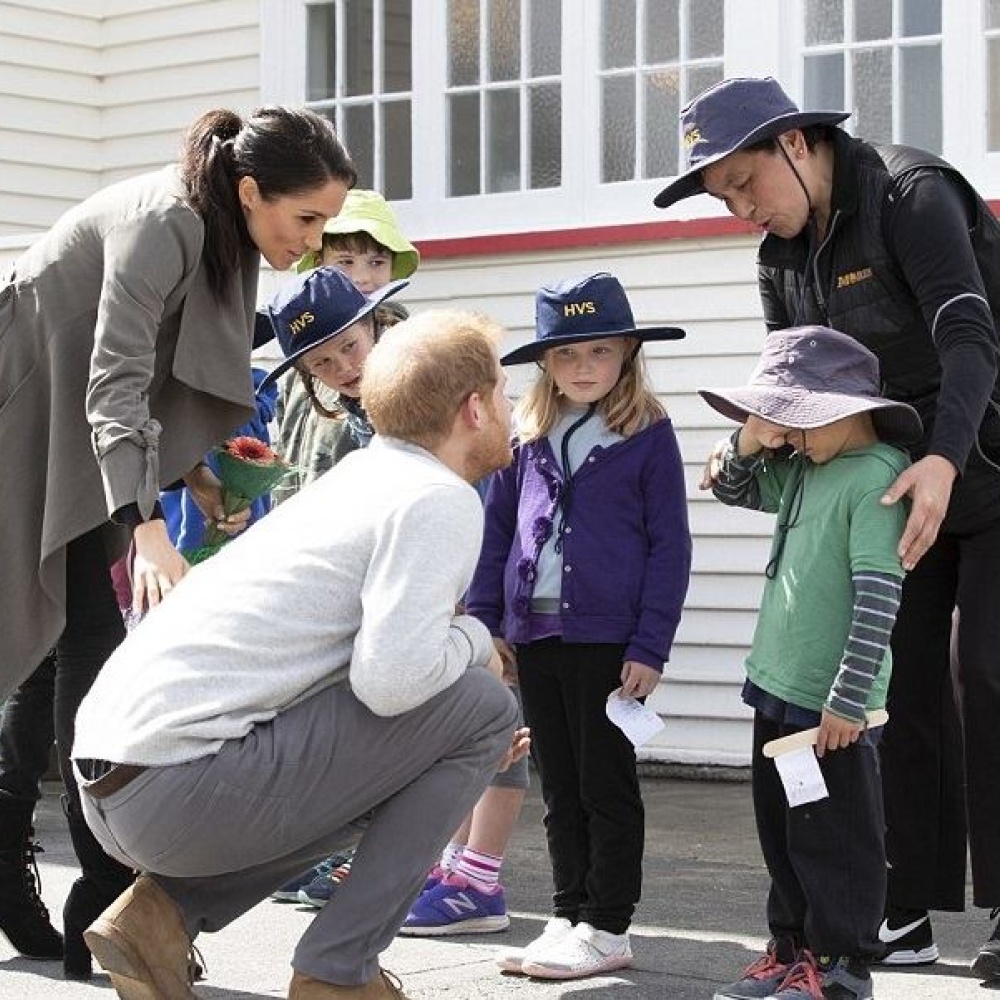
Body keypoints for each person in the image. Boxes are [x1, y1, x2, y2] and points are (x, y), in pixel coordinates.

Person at [71, 309, 525, 1000]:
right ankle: (337, 972)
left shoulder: (361, 479)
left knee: (440, 738)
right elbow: (394, 681)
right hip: (174, 789)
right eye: (503, 392)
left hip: (118, 780)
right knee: (483, 706)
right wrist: (476, 646)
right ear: (472, 408)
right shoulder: (437, 497)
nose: (511, 406)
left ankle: (161, 915)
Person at [654, 75, 1000, 978]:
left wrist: (947, 459)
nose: (739, 210)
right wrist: (748, 453)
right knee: (903, 689)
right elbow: (793, 383)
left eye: (743, 184)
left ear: (796, 145)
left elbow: (971, 338)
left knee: (989, 675)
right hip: (893, 477)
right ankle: (907, 908)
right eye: (723, 197)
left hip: (982, 458)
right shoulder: (780, 253)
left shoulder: (911, 197)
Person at [0, 104, 355, 979]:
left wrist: (193, 473)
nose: (312, 242)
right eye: (305, 218)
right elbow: (117, 382)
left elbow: (161, 378)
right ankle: (111, 901)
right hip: (27, 396)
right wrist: (147, 525)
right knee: (81, 639)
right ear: (248, 190)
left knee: (58, 647)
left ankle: (46, 885)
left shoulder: (225, 234)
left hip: (82, 415)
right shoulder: (167, 221)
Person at [466, 272, 691, 979]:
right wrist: (484, 619)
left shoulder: (648, 435)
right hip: (535, 637)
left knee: (605, 784)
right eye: (567, 355)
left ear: (627, 351)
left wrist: (650, 644)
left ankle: (610, 924)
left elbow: (670, 547)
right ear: (544, 364)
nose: (584, 368)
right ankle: (568, 915)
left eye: (599, 352)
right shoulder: (525, 434)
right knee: (558, 785)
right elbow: (497, 528)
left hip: (610, 644)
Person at [699, 326, 921, 1000]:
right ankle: (791, 950)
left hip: (835, 705)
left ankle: (841, 966)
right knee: (784, 831)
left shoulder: (876, 477)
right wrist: (752, 433)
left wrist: (848, 699)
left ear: (844, 410)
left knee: (837, 838)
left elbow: (880, 596)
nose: (785, 437)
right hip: (777, 686)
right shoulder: (803, 465)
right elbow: (732, 487)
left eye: (795, 421)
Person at [272, 188, 421, 506]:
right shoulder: (295, 364)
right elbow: (286, 455)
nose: (363, 277)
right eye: (345, 263)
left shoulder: (411, 355)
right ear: (316, 262)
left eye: (377, 262)